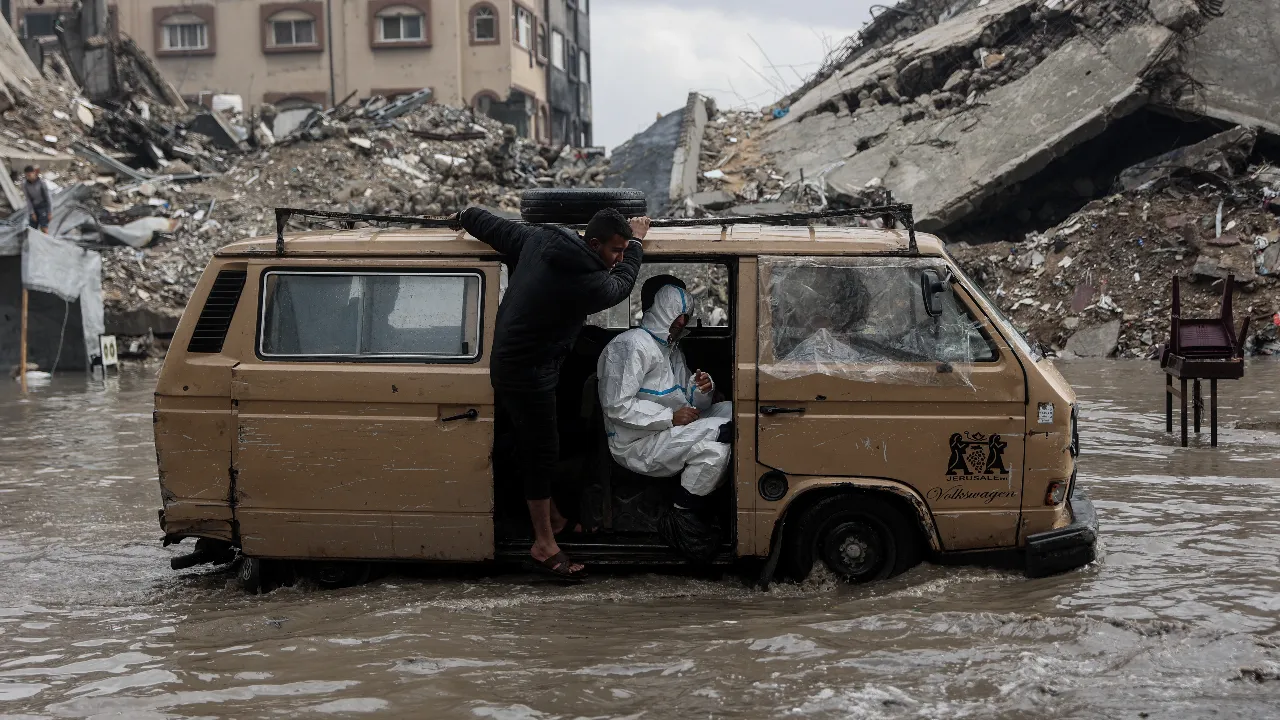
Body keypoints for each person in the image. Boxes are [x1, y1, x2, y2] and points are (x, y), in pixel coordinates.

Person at [452, 206, 649, 580]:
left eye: (624, 251)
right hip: (528, 371)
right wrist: (638, 242)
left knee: (532, 441)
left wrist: (465, 214)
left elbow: (495, 227)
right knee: (542, 452)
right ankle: (543, 544)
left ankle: (555, 518)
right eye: (616, 251)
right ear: (593, 244)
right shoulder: (587, 281)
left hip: (511, 360)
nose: (620, 258)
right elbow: (621, 286)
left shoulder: (542, 237)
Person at [596, 279, 733, 561]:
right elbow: (617, 406)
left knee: (736, 413)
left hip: (665, 429)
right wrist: (669, 417)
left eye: (686, 316)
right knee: (721, 437)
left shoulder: (670, 349)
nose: (683, 321)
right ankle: (682, 513)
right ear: (660, 311)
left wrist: (702, 389)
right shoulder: (630, 346)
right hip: (635, 443)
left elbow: (687, 402)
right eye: (677, 314)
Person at [23, 165, 51, 234]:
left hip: (43, 207)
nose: (28, 177)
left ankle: (46, 243)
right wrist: (32, 213)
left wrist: (49, 212)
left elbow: (48, 198)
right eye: (27, 176)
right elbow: (28, 199)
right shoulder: (25, 185)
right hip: (34, 207)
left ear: (34, 173)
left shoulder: (41, 183)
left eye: (29, 175)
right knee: (32, 228)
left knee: (44, 227)